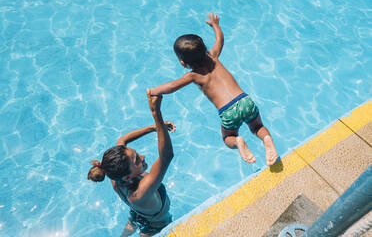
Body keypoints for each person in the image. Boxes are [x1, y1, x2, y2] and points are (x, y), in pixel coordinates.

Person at [149, 13, 278, 166]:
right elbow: (220, 40)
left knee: (227, 138)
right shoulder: (214, 56)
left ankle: (238, 142)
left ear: (183, 63)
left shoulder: (193, 76)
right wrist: (216, 25)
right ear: (204, 49)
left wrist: (153, 90)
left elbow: (171, 87)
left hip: (227, 111)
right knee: (258, 127)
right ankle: (267, 139)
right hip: (245, 100)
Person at [88, 90, 175, 236]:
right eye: (137, 160)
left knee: (134, 221)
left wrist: (152, 129)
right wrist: (156, 116)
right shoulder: (140, 192)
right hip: (156, 225)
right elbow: (167, 156)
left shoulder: (115, 178)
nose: (142, 156)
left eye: (136, 154)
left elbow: (122, 140)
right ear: (127, 177)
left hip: (138, 213)